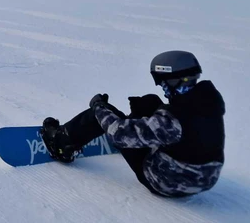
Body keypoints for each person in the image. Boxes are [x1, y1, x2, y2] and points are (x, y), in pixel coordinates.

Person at [41, 51, 225, 198]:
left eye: (162, 82)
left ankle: (60, 144)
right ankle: (137, 134)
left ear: (173, 80)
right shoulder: (208, 103)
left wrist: (98, 107)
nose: (162, 87)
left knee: (102, 116)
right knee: (151, 102)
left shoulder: (173, 118)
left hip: (167, 183)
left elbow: (118, 133)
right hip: (205, 177)